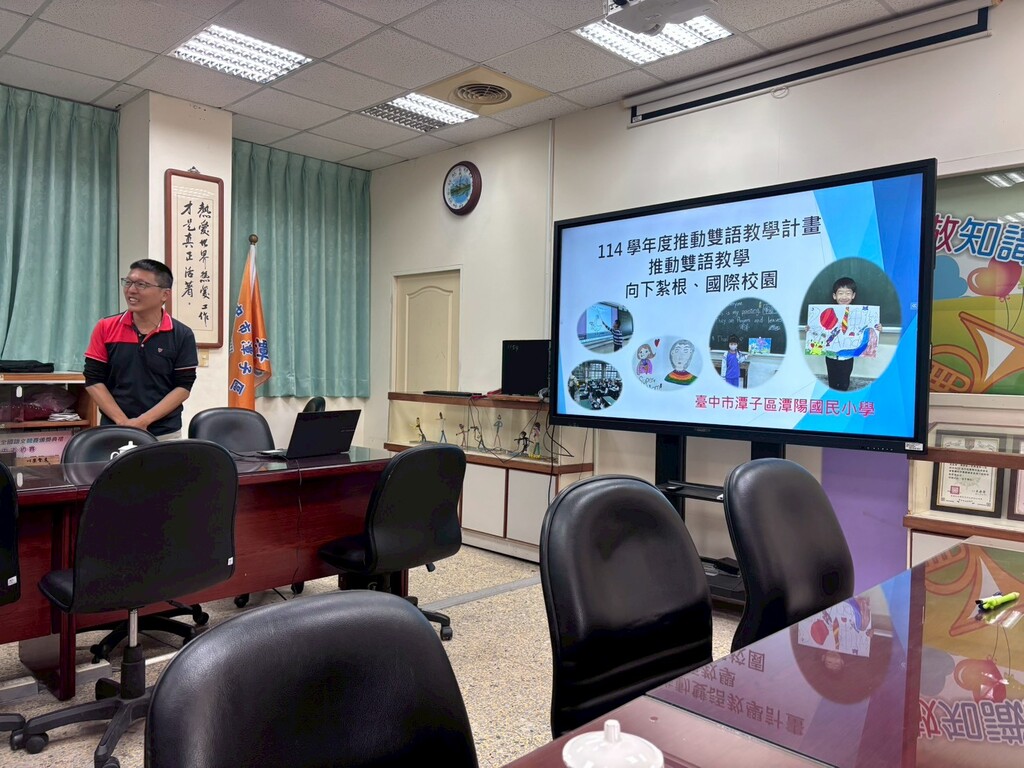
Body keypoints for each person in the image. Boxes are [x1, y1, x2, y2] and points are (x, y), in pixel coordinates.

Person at [84, 259, 198, 440]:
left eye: (141, 285)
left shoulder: (182, 334)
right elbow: (93, 380)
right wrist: (123, 422)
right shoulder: (105, 327)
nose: (131, 290)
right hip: (114, 429)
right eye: (128, 282)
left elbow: (183, 386)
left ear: (165, 294)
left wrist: (143, 421)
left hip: (164, 433)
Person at [823, 277, 882, 392]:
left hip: (848, 356)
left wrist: (878, 328)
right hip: (830, 355)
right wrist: (810, 329)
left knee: (844, 381)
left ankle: (842, 396)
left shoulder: (859, 314)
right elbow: (819, 328)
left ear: (853, 295)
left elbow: (870, 325)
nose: (844, 297)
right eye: (840, 293)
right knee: (832, 381)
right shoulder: (828, 313)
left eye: (848, 293)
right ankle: (834, 397)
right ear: (834, 296)